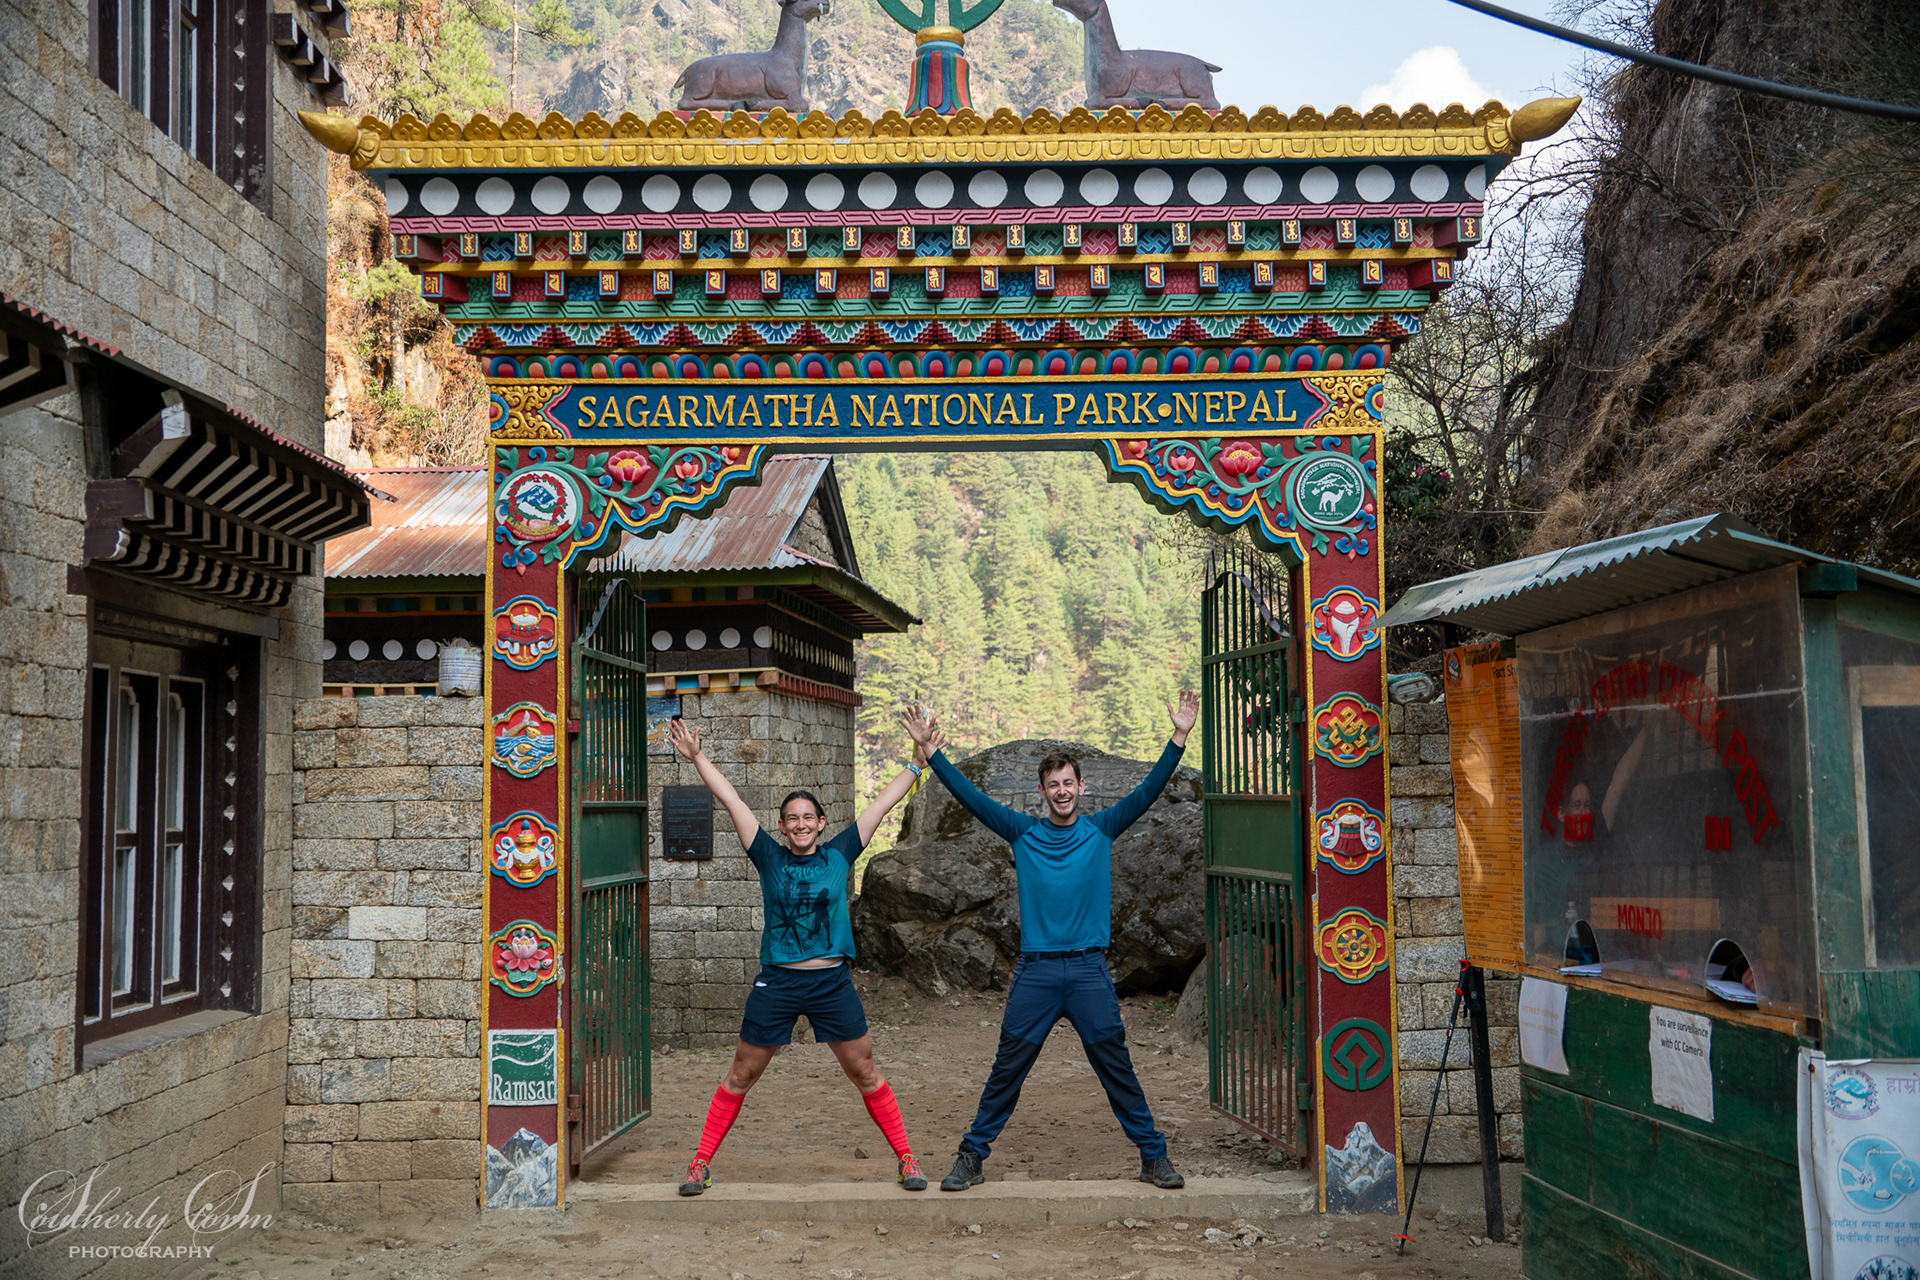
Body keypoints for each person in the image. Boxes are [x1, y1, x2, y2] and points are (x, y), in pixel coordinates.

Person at [904, 694, 1199, 1192]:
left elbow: (1149, 791)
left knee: (1116, 1067)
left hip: (1088, 972)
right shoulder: (1022, 832)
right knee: (1007, 1068)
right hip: (1036, 973)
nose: (1062, 792)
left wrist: (1179, 738)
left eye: (1069, 784)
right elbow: (972, 799)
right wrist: (931, 754)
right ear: (1041, 792)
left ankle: (1153, 1156)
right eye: (1053, 786)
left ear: (1081, 787)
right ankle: (971, 1157)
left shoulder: (1102, 828)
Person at [665, 711, 943, 1197]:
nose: (800, 824)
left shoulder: (840, 854)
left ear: (820, 823)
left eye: (807, 817)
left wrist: (918, 763)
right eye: (791, 818)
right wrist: (696, 757)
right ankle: (700, 1162)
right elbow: (731, 799)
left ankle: (906, 1157)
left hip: (831, 982)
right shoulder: (768, 855)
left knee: (864, 1071)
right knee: (742, 1072)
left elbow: (881, 804)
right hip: (779, 981)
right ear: (782, 824)